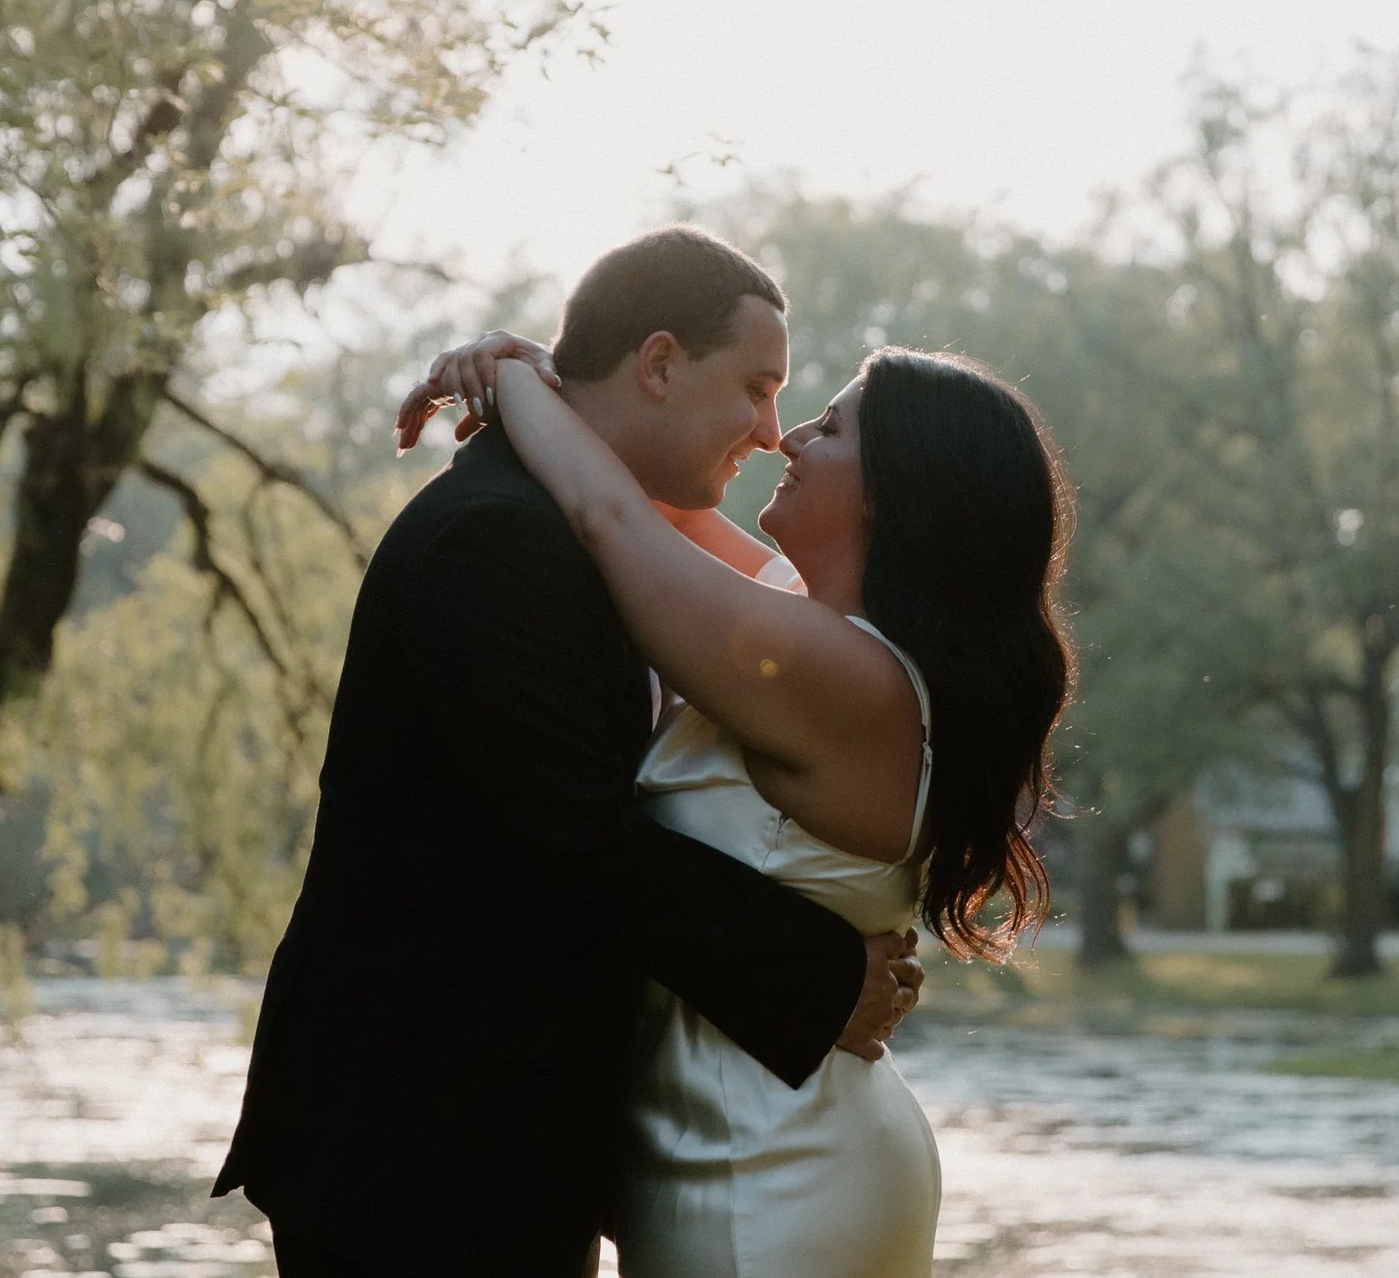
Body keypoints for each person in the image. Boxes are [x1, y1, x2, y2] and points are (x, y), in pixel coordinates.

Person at [211, 229, 925, 1278]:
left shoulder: (594, 540)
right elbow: (575, 839)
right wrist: (818, 975)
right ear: (660, 361)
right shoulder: (494, 539)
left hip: (510, 1136)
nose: (771, 429)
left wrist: (519, 375)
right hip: (421, 1142)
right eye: (756, 385)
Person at [399, 299, 1077, 1278]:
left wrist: (506, 372)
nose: (786, 434)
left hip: (766, 1172)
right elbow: (652, 498)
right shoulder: (806, 629)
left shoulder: (837, 675)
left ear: (894, 492)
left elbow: (609, 516)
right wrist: (560, 377)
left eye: (830, 424)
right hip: (761, 1135)